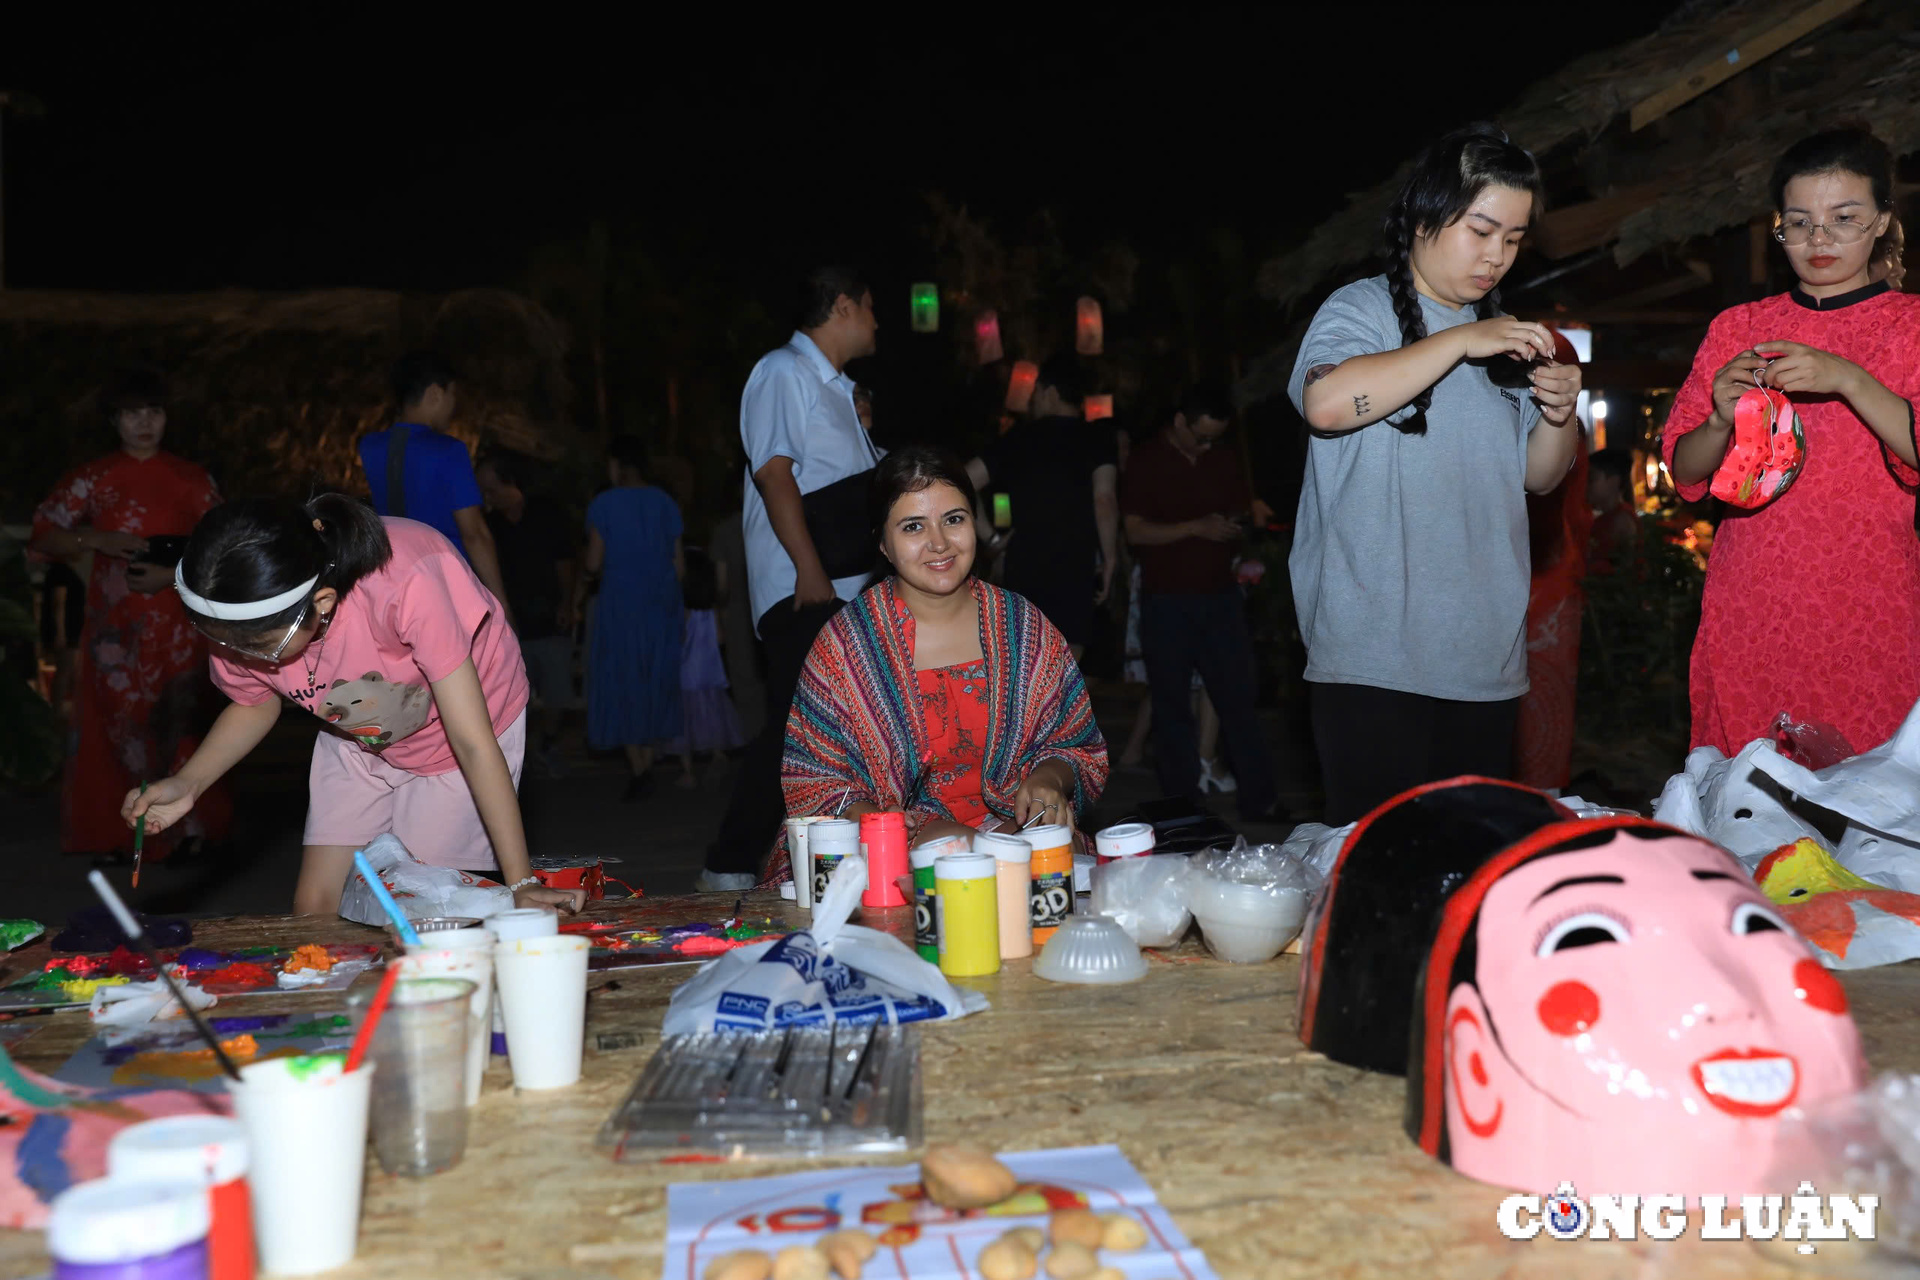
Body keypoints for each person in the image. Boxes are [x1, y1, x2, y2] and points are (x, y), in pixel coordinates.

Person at [1286, 123, 1582, 826]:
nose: (1496, 257)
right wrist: (1461, 339)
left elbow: (1540, 479)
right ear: (1423, 216)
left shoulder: (1504, 339)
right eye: (1481, 230)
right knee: (1382, 879)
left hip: (1485, 661)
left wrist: (1559, 413)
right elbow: (1326, 405)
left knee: (1469, 883)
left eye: (1512, 239)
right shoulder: (1361, 310)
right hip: (1374, 660)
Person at [122, 495, 584, 918]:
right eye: (227, 644)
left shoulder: (409, 578)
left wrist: (521, 882)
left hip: (455, 740)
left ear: (321, 603)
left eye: (263, 648)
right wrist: (190, 781)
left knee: (422, 908)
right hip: (355, 730)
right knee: (316, 907)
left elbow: (473, 743)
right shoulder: (243, 622)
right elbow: (253, 704)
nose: (245, 659)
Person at [1663, 128, 1920, 757]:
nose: (1819, 239)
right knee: (1751, 812)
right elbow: (1682, 469)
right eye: (1799, 222)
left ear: (1882, 221)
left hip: (1871, 604)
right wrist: (1720, 419)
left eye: (1844, 218)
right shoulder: (1741, 327)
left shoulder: (1910, 326)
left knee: (1868, 814)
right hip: (1752, 599)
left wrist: (1848, 379)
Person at [777, 446, 1108, 869]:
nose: (939, 543)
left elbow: (1077, 744)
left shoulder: (1023, 627)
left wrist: (1049, 779)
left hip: (1018, 828)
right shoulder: (846, 646)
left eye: (954, 519)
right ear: (882, 543)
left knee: (1050, 856)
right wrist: (872, 821)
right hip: (903, 848)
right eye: (913, 526)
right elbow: (813, 780)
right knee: (958, 856)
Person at [699, 265, 882, 892]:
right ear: (841, 306)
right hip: (809, 587)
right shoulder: (782, 371)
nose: (879, 320)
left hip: (849, 588)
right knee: (794, 727)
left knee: (838, 727)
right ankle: (728, 863)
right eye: (870, 306)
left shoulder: (839, 391)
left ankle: (828, 859)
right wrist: (810, 568)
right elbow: (775, 474)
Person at [31, 370, 231, 863]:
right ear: (115, 420)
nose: (145, 423)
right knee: (125, 727)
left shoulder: (190, 478)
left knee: (181, 720)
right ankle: (133, 833)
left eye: (154, 412)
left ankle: (190, 831)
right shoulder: (94, 478)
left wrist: (169, 575)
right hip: (115, 630)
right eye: (133, 413)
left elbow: (223, 544)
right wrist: (94, 539)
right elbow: (44, 532)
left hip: (181, 623)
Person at [1119, 384, 1284, 823]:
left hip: (1220, 596)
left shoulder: (1223, 459)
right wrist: (1195, 527)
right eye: (1201, 435)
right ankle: (1182, 807)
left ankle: (1260, 799)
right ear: (1180, 422)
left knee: (1238, 699)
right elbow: (1135, 531)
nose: (1207, 443)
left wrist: (1235, 529)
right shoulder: (1146, 460)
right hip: (1166, 599)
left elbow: (1235, 515)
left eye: (1215, 436)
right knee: (1172, 705)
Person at [965, 356, 1119, 658]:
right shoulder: (1098, 438)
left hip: (1025, 565)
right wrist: (1110, 557)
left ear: (1049, 392)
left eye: (1034, 392)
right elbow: (1105, 500)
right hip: (1075, 567)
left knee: (1024, 670)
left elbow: (962, 481)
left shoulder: (1019, 438)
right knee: (1065, 673)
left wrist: (990, 538)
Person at [358, 351, 512, 622]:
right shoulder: (449, 451)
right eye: (453, 395)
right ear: (435, 394)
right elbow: (474, 533)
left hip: (392, 585)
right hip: (445, 586)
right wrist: (502, 607)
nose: (454, 406)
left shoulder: (370, 447)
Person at [578, 437, 684, 800]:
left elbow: (593, 562)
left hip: (621, 605)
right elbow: (679, 564)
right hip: (660, 604)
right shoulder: (665, 503)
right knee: (655, 678)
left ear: (618, 466)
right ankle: (647, 766)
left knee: (622, 681)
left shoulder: (604, 504)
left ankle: (639, 769)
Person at [476, 451, 577, 774]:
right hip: (508, 624)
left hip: (549, 617)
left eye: (490, 488)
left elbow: (566, 561)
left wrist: (567, 603)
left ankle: (548, 742)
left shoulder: (546, 512)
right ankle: (519, 753)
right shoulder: (486, 526)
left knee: (558, 691)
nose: (484, 495)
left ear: (510, 482)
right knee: (512, 695)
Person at [668, 544, 745, 787]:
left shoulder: (683, 610)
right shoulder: (710, 609)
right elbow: (720, 638)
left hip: (686, 672)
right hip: (711, 671)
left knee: (686, 721)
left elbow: (678, 637)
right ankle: (718, 756)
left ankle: (688, 771)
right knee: (713, 715)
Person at [709, 501, 765, 739]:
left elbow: (721, 584)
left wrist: (719, 615)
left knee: (743, 680)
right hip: (767, 606)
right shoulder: (767, 520)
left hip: (737, 611)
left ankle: (751, 741)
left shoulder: (725, 530)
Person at [1585, 446, 1638, 575]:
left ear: (1613, 481)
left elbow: (1626, 573)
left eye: (1592, 479)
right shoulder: (1607, 518)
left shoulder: (1622, 520)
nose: (1586, 486)